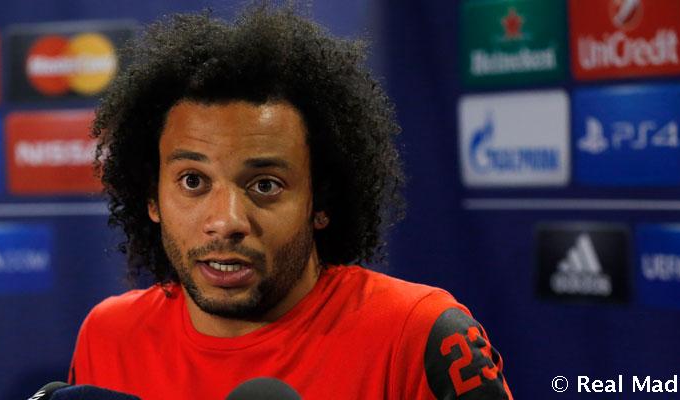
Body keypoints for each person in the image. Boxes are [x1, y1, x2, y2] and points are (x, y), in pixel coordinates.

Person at [69, 5, 513, 399]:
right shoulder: (107, 336)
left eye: (265, 185)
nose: (226, 221)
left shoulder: (419, 335)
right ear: (152, 197)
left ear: (321, 201)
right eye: (193, 181)